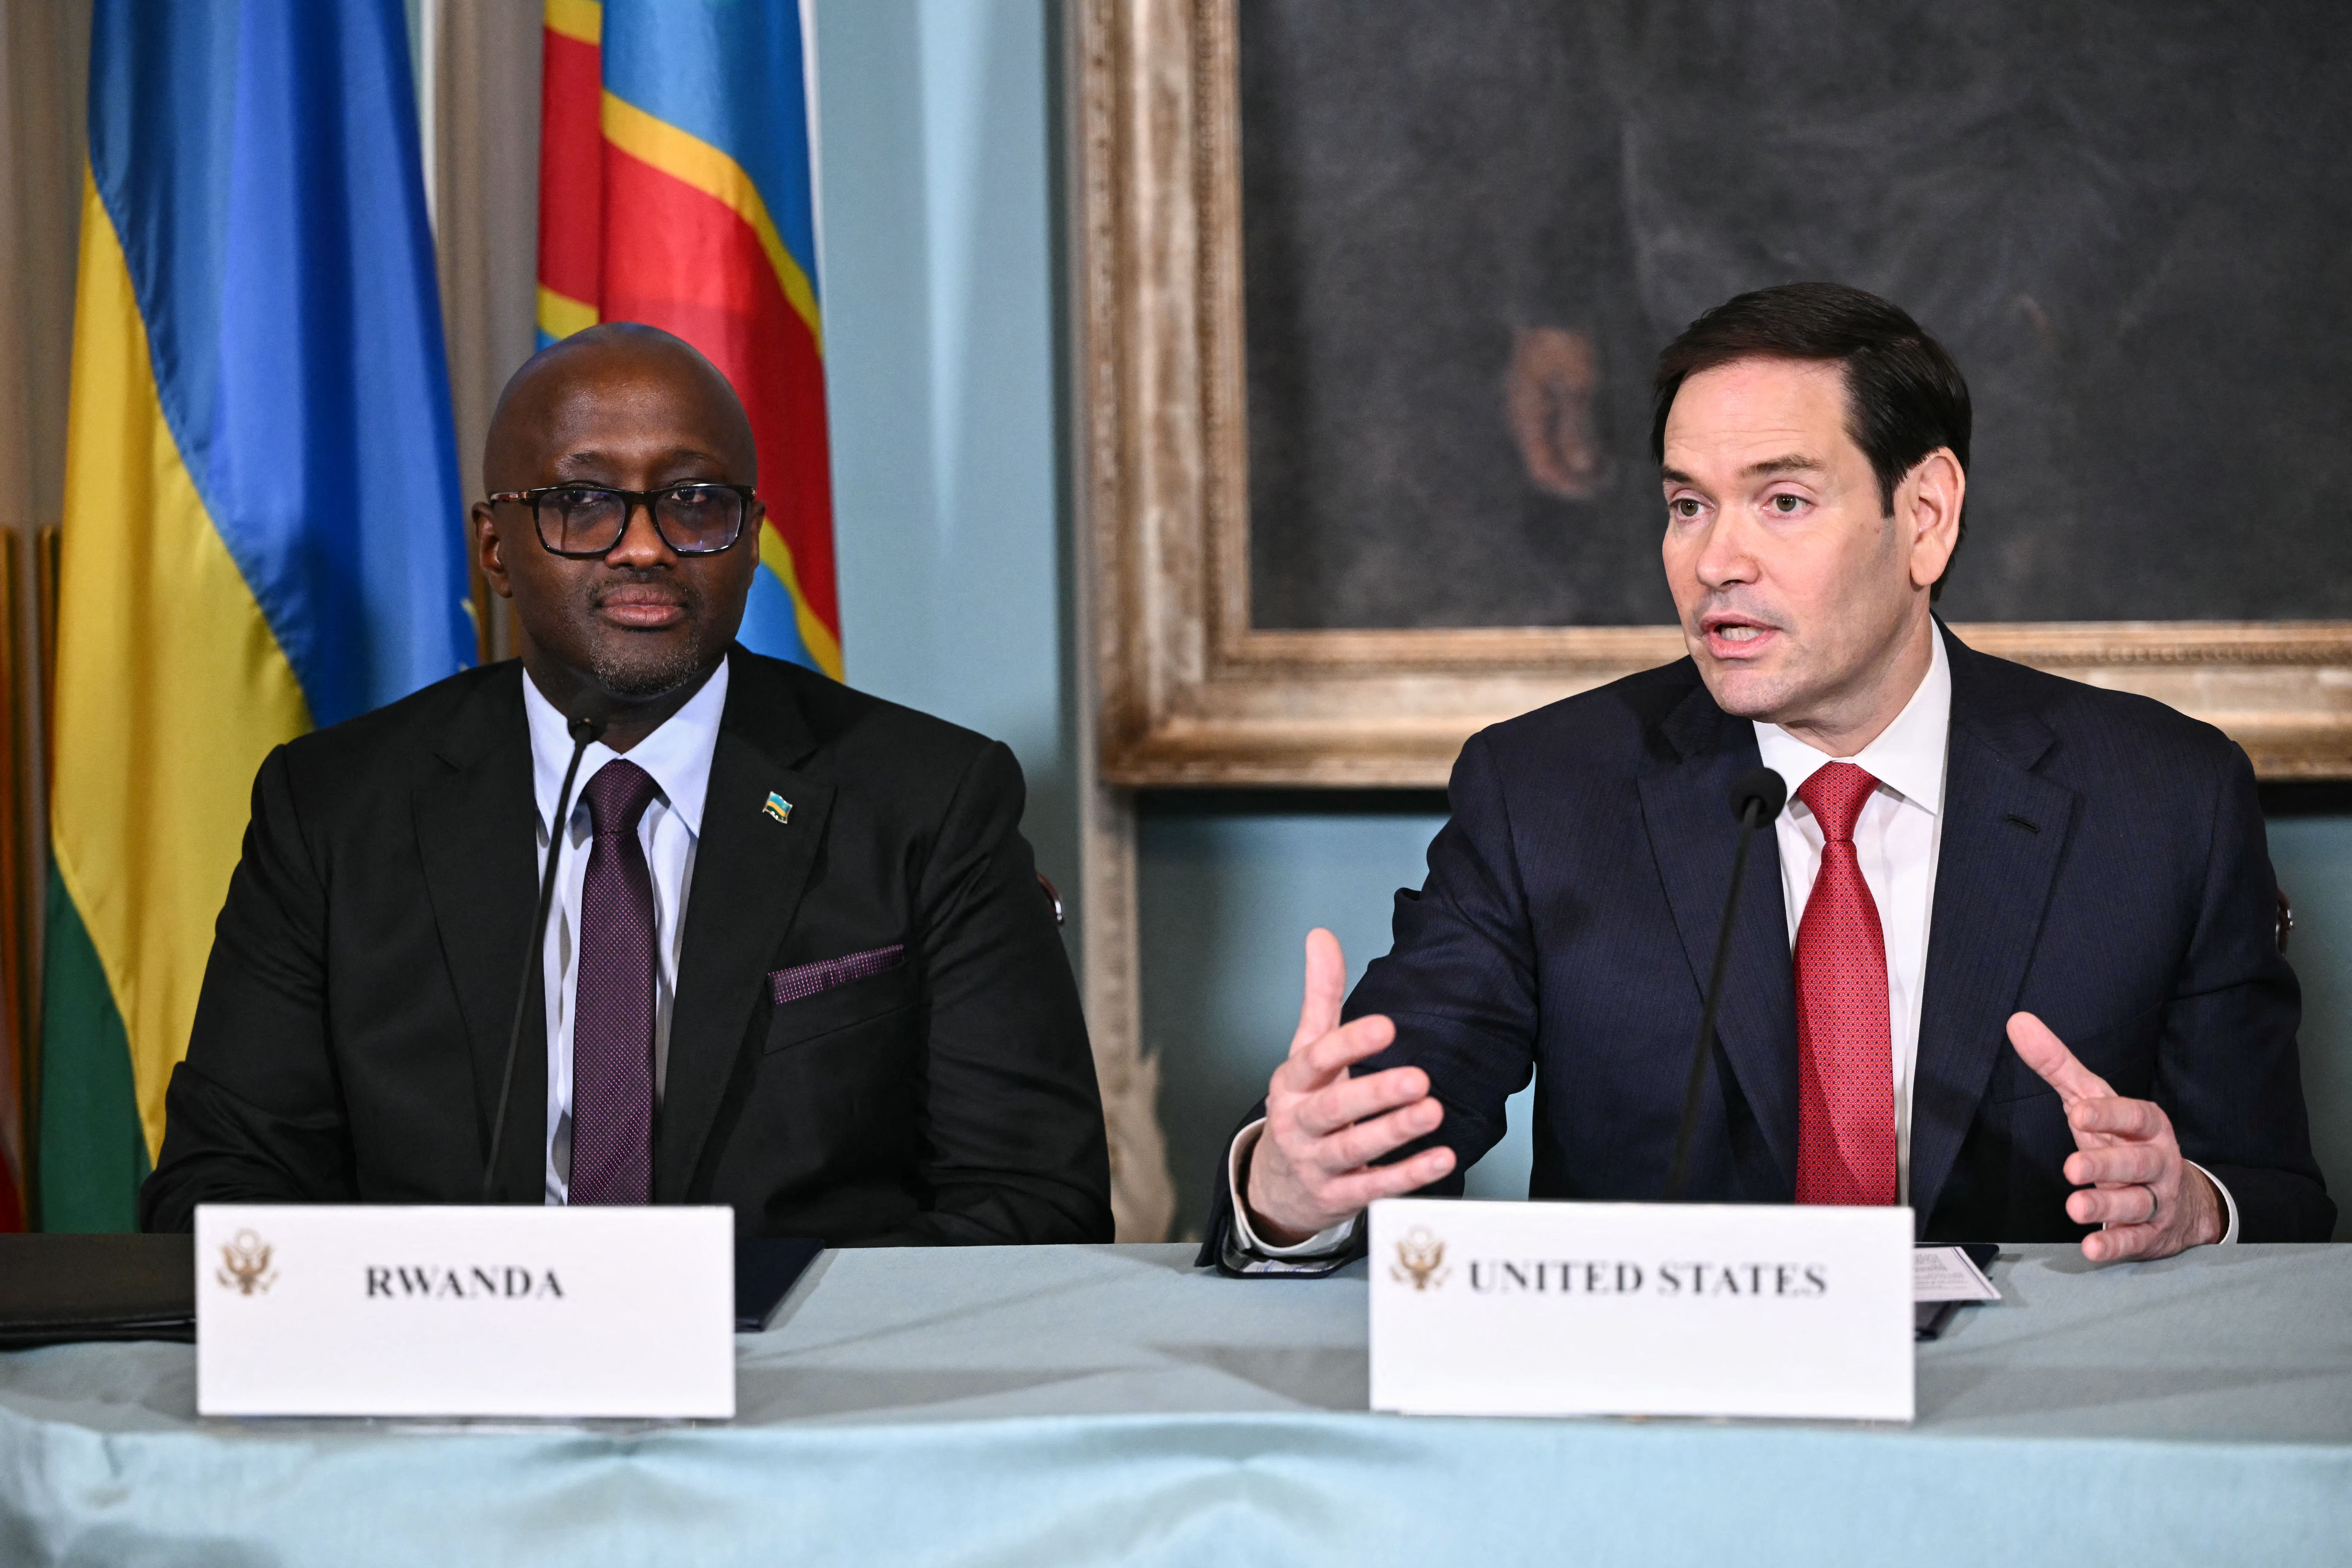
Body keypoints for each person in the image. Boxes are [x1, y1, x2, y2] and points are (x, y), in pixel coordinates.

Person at [1208, 283, 2333, 1271]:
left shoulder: (2163, 801)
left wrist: (2192, 1206)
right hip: (1663, 1449)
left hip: (2029, 1441)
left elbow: (2279, 1205)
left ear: (1926, 517)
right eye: (1688, 503)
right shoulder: (1546, 792)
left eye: (1782, 501)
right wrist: (1295, 1188)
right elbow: (1388, 1134)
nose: (1715, 561)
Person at [142, 324, 1113, 1244]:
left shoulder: (931, 801)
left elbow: (1035, 1204)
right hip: (444, 1392)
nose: (644, 544)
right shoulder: (333, 810)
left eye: (695, 500)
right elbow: (224, 1189)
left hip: (797, 1392)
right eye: (582, 502)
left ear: (752, 538)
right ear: (495, 550)